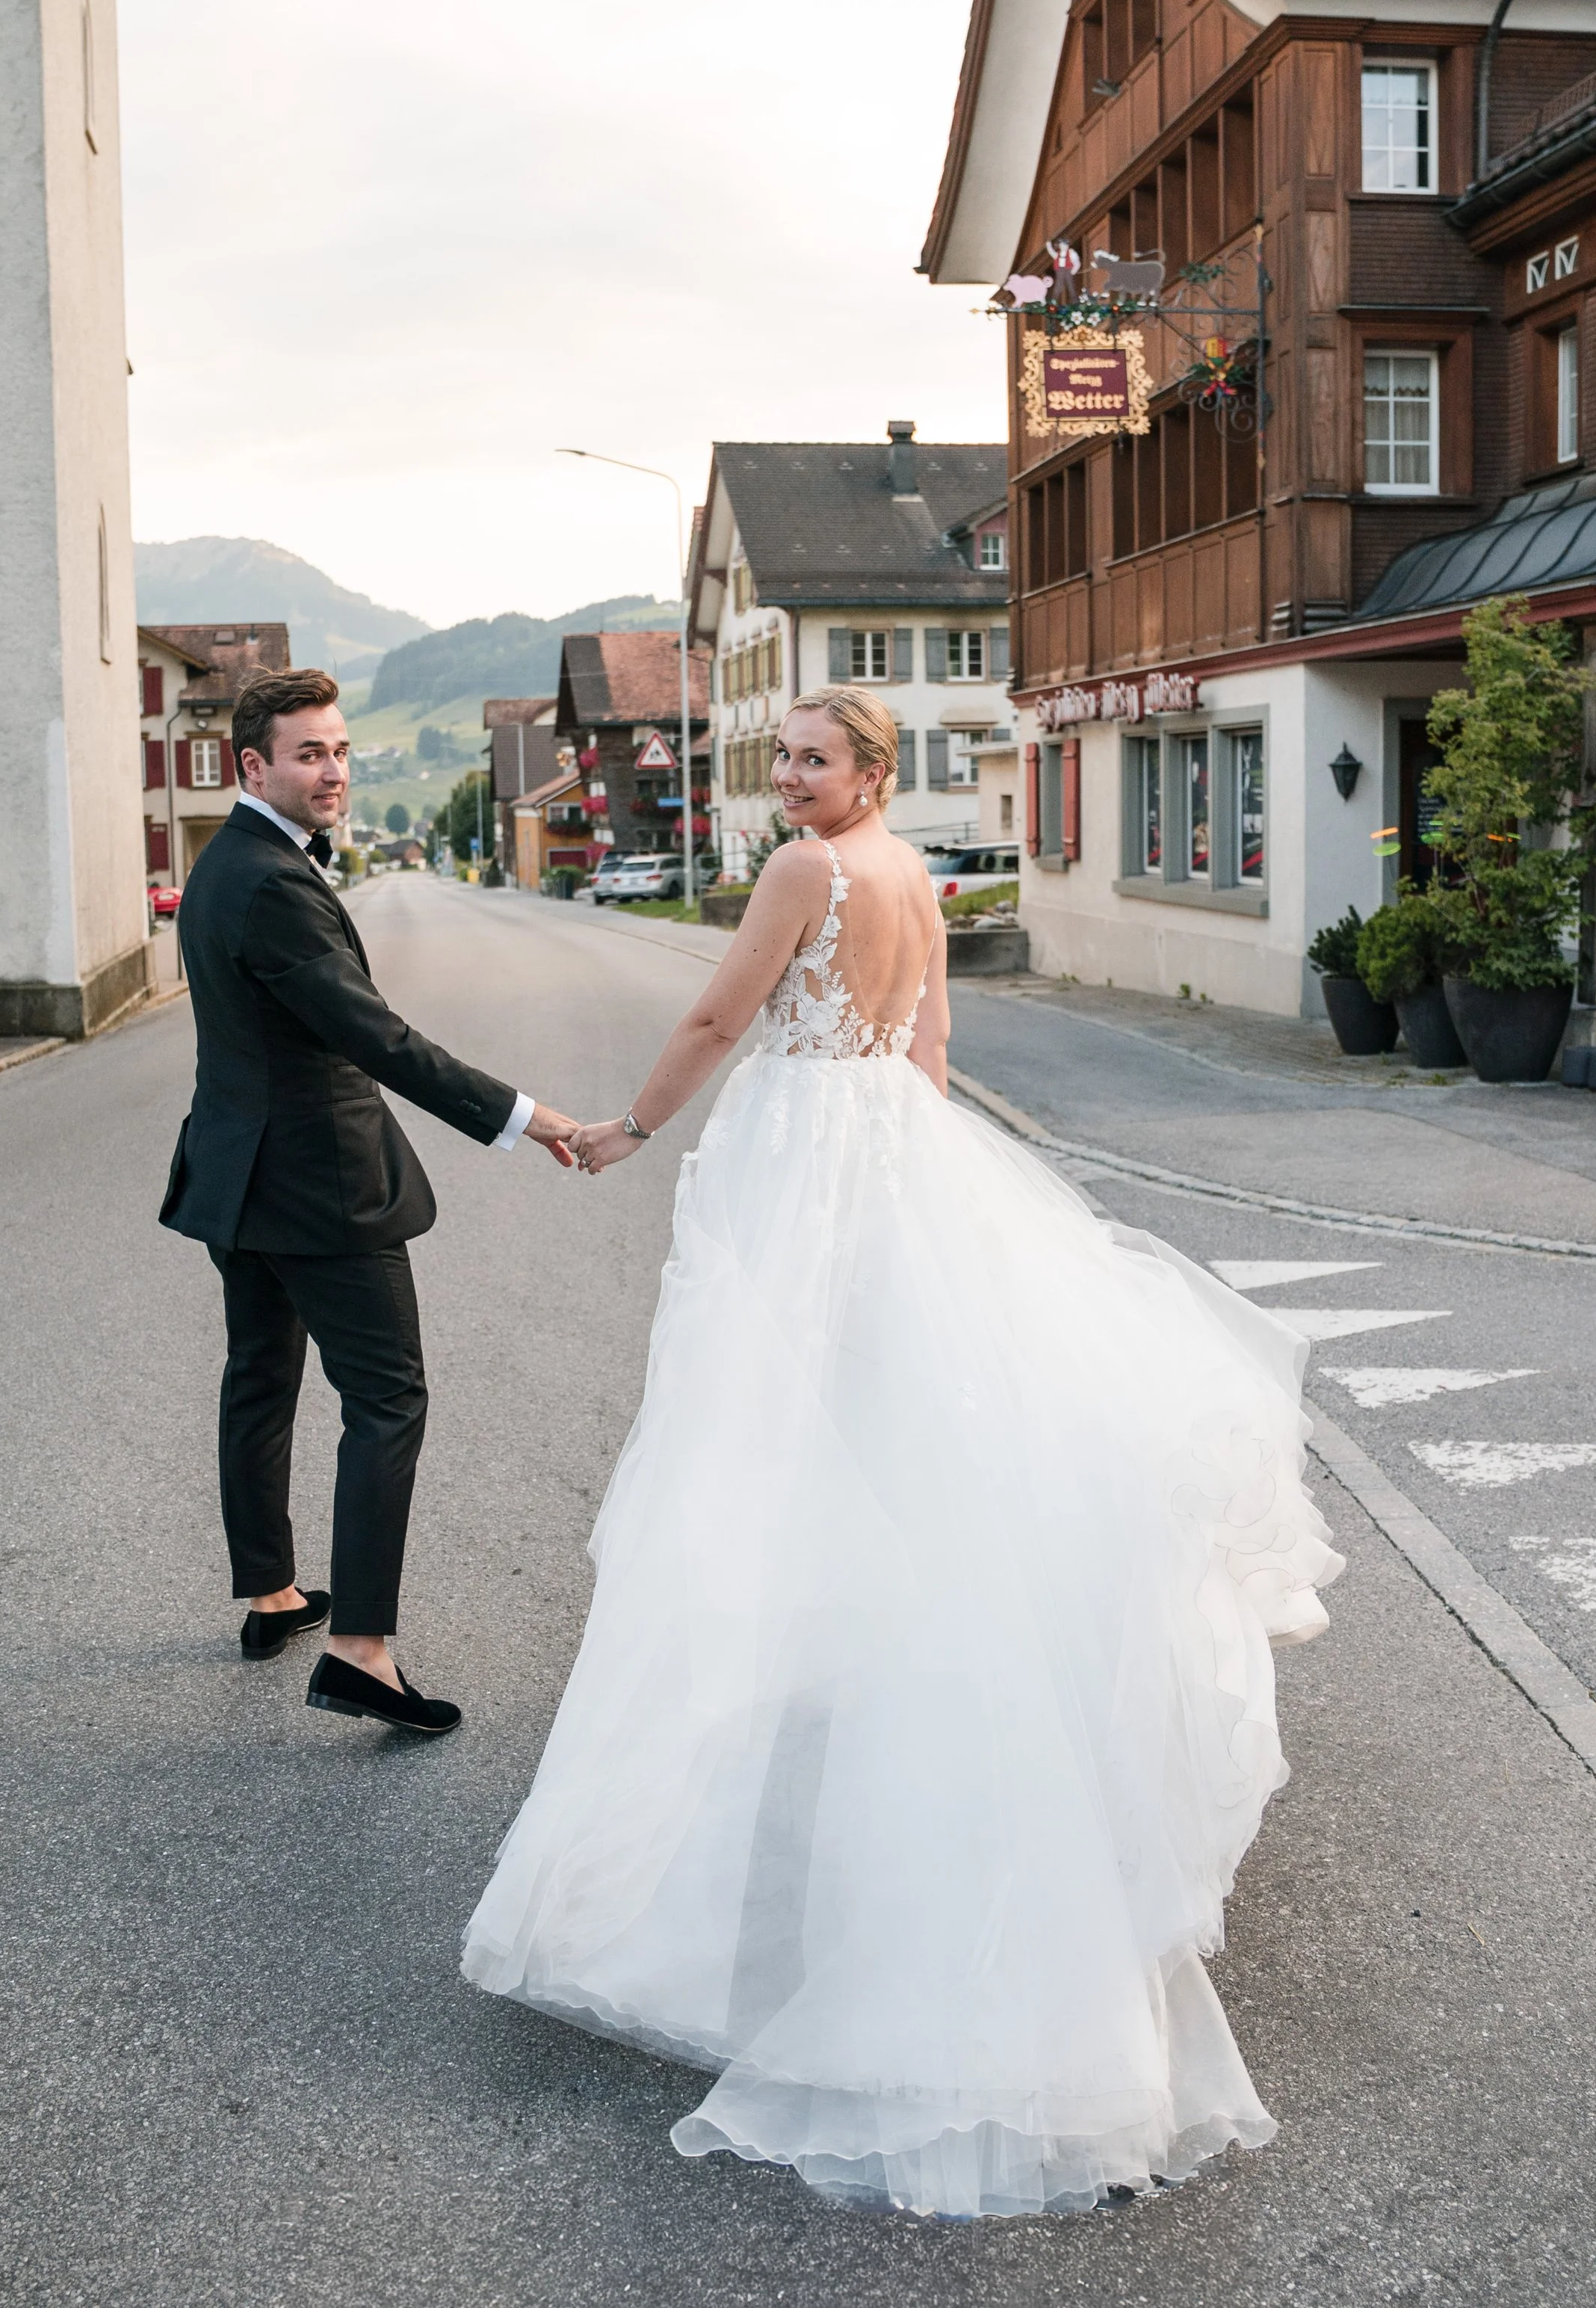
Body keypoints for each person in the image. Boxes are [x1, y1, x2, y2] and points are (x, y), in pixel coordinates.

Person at [463, 684, 1342, 2219]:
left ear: (868, 773)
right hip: (884, 1144)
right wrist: (906, 1175)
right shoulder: (913, 873)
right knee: (897, 1446)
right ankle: (848, 1712)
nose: (788, 777)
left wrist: (627, 1129)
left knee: (765, 1451)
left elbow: (717, 1015)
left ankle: (798, 1753)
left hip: (805, 1147)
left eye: (814, 757)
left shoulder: (806, 871)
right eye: (785, 756)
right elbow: (928, 1039)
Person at [161, 668, 578, 1737]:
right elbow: (376, 1038)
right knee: (387, 1401)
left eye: (341, 750)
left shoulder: (229, 866)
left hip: (239, 1173)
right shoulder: (269, 882)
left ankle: (272, 1594)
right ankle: (361, 1651)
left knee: (260, 1377)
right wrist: (528, 1117)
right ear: (255, 766)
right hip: (319, 1188)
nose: (333, 768)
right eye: (310, 753)